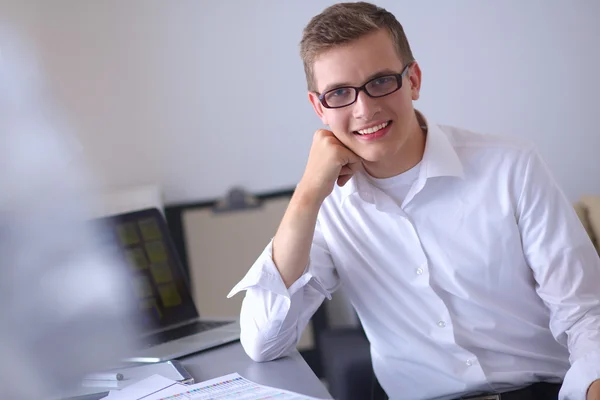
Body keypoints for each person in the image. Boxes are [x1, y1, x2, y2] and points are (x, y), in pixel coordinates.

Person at [228, 2, 600, 399]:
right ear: (319, 107)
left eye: (381, 81)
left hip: (541, 390)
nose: (365, 108)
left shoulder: (513, 167)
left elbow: (585, 314)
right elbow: (264, 342)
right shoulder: (326, 206)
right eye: (339, 93)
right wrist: (305, 197)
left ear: (414, 80)